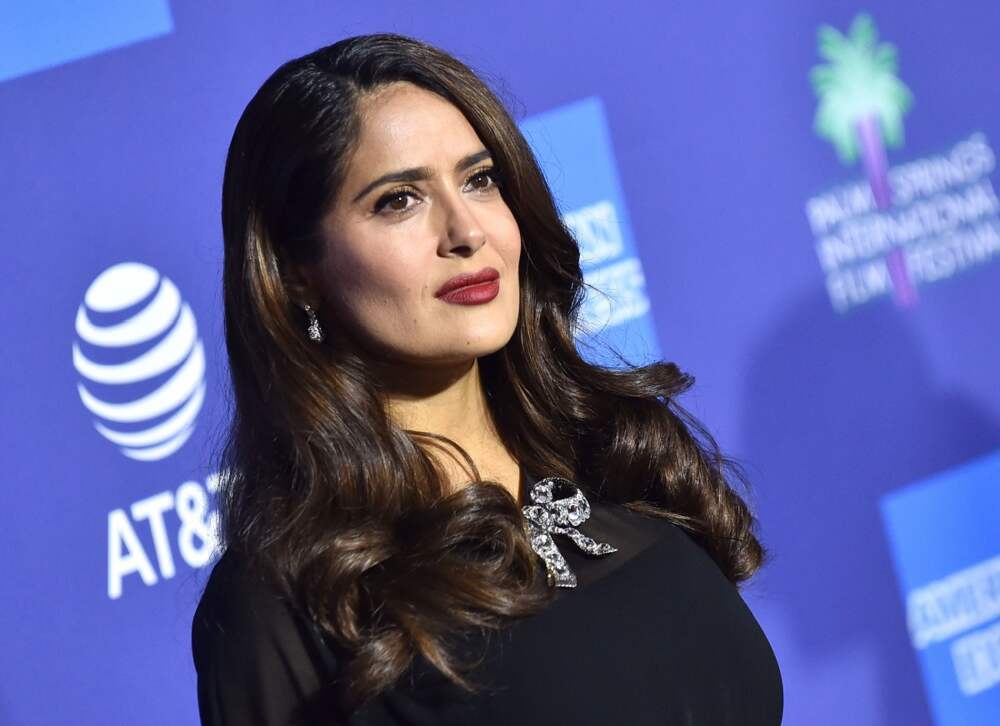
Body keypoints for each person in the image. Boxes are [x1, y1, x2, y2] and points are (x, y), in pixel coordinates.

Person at [191, 32, 783, 725]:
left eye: (479, 180)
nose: (466, 231)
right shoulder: (289, 597)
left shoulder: (617, 457)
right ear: (297, 272)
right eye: (399, 200)